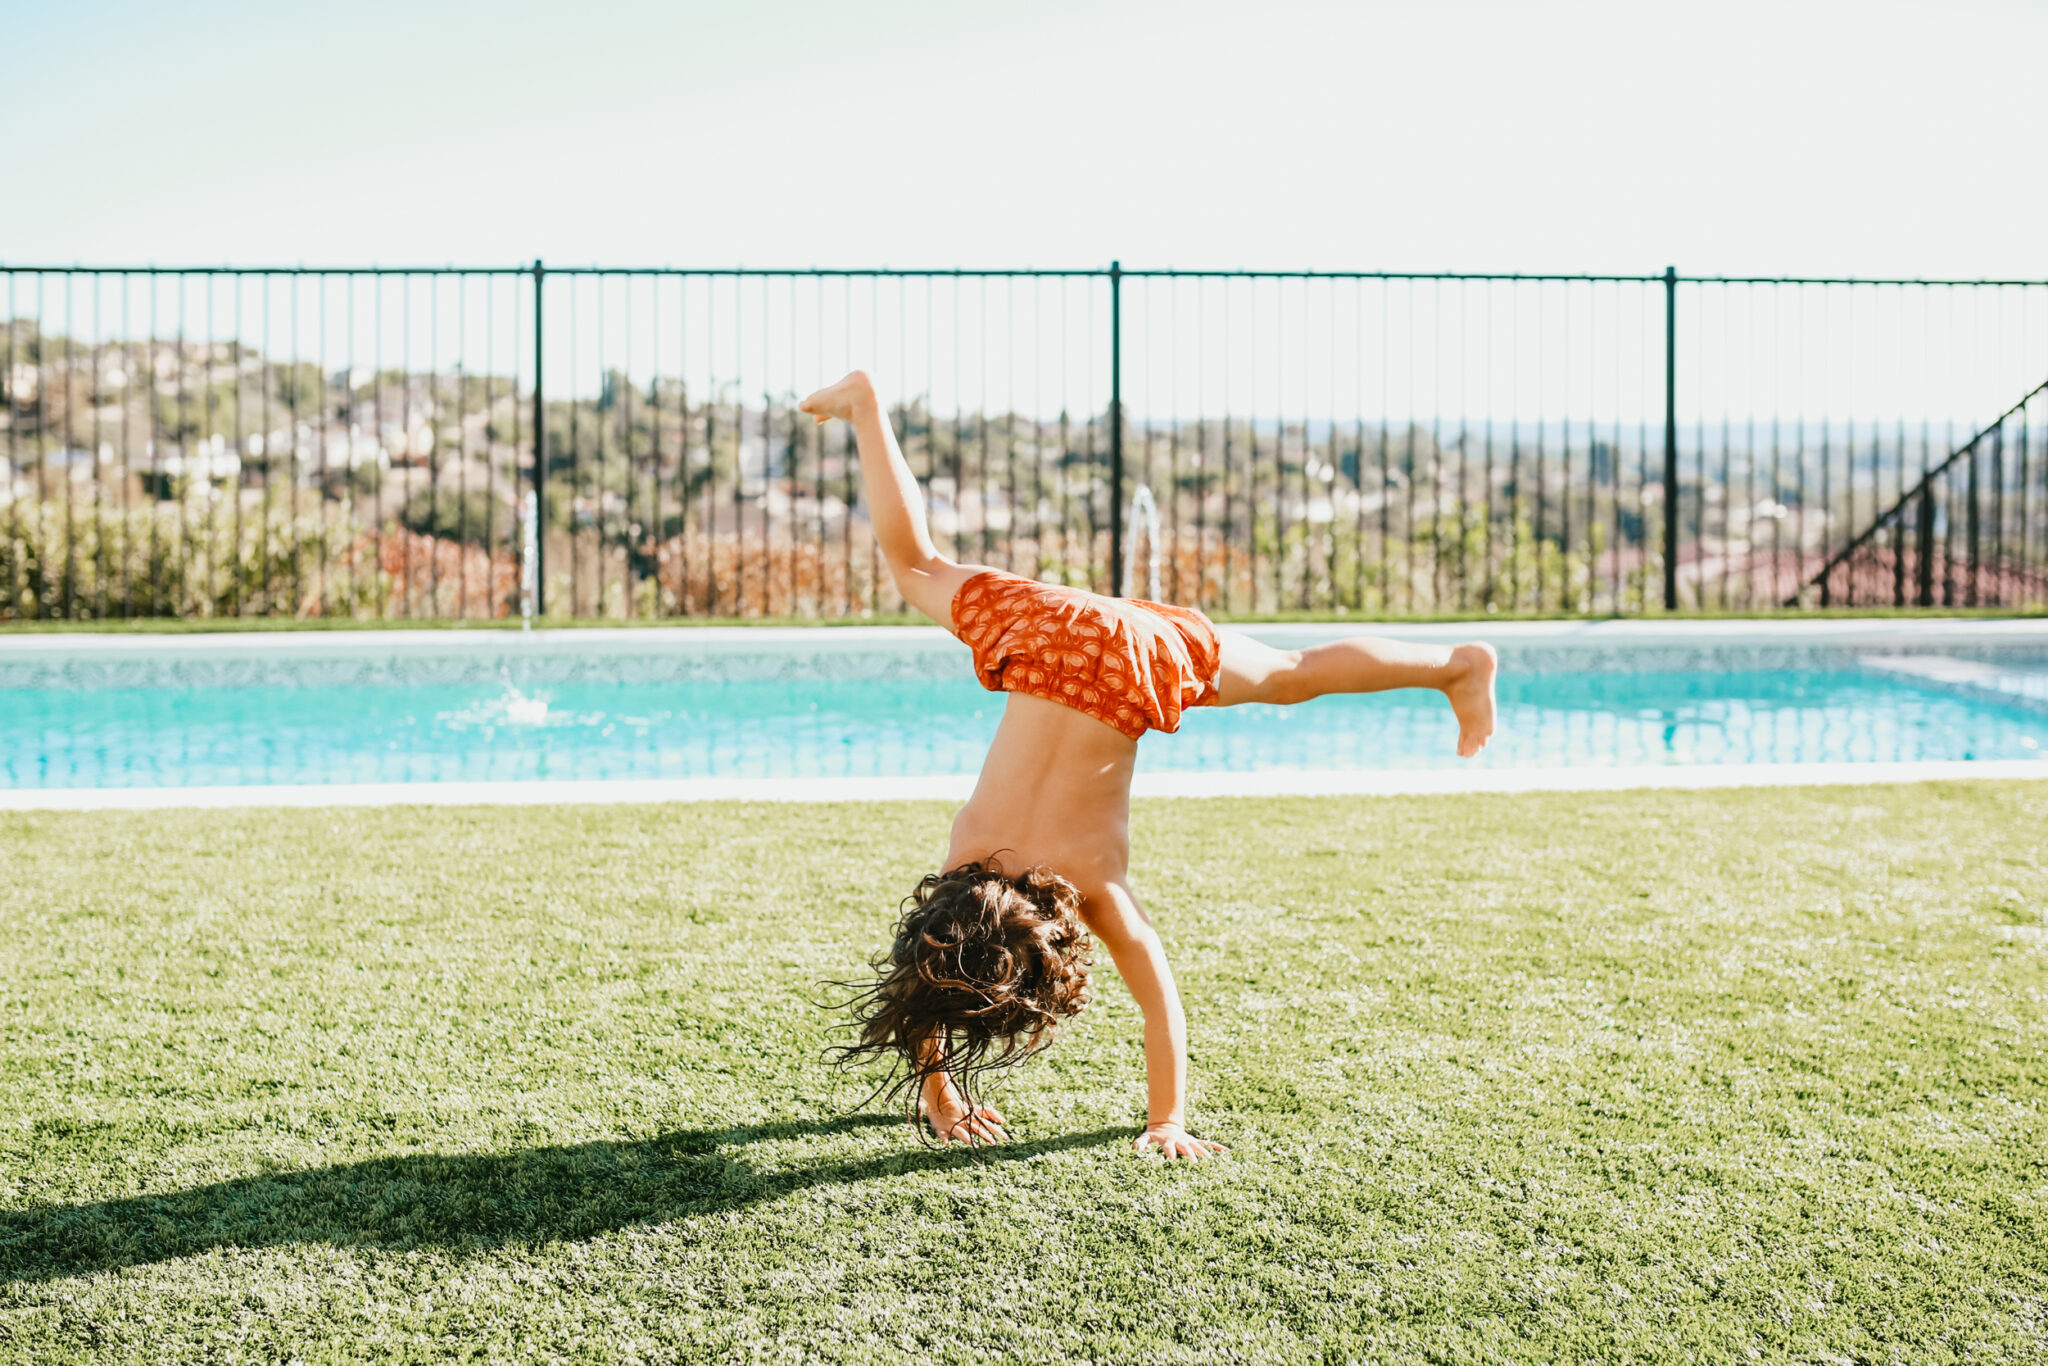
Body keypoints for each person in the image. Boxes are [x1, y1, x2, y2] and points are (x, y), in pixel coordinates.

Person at [801, 371, 1497, 1161]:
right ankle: (864, 403)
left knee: (1291, 675)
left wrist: (1166, 1120)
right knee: (918, 563)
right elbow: (933, 972)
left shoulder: (1089, 886)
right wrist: (940, 1088)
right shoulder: (970, 864)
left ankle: (1456, 669)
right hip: (1054, 632)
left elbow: (1155, 996)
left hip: (1129, 665)